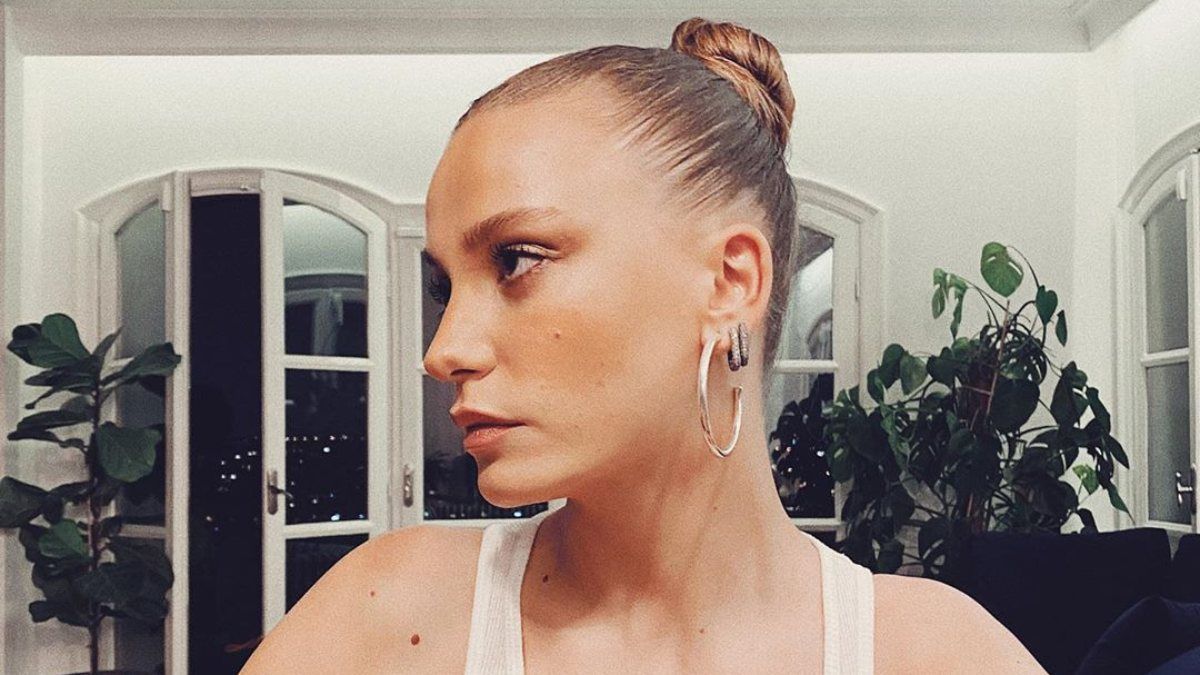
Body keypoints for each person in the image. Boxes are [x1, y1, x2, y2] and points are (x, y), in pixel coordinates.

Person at [242, 17, 1046, 674]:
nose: (443, 350)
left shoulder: (932, 653)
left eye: (517, 259)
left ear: (729, 280)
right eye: (444, 287)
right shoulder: (387, 619)